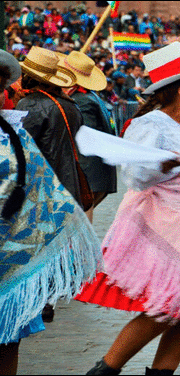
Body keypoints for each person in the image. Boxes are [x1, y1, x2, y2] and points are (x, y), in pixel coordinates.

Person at [75, 42, 180, 375]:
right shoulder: (152, 125)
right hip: (168, 231)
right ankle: (106, 369)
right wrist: (164, 165)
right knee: (166, 306)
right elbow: (137, 175)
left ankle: (161, 372)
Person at [0, 48, 101, 375]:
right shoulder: (71, 106)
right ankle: (42, 296)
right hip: (62, 179)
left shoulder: (25, 113)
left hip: (37, 185)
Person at [15, 47, 85, 323]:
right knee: (53, 245)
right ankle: (49, 299)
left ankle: (38, 300)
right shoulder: (70, 105)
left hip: (40, 185)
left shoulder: (29, 105)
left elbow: (21, 147)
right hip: (68, 184)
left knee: (35, 245)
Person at [57, 51, 117, 223]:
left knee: (81, 222)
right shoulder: (89, 97)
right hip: (94, 171)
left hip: (88, 171)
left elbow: (83, 137)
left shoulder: (81, 100)